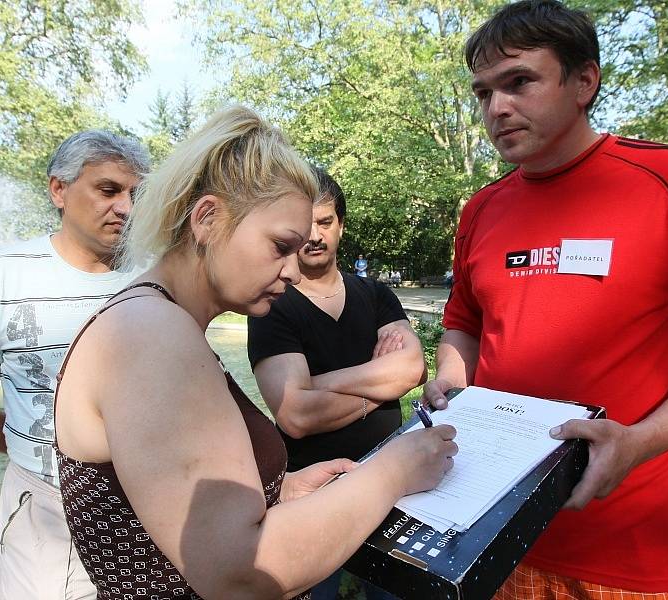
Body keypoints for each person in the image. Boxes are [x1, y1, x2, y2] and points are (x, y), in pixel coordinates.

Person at [422, 2, 668, 598]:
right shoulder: (482, 209)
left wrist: (639, 441)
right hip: (487, 535)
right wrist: (454, 383)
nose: (497, 108)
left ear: (584, 80)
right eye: (484, 93)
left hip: (629, 545)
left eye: (520, 82)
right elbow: (464, 321)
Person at [53, 106, 457, 600]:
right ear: (207, 219)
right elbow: (239, 573)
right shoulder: (151, 334)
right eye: (279, 246)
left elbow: (167, 501)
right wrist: (392, 471)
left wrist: (277, 489)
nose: (291, 271)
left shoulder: (154, 321)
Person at [0, 130, 149, 599]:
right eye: (109, 190)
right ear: (59, 189)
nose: (126, 208)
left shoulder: (154, 276)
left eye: (135, 194)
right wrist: (49, 456)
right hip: (44, 513)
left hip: (145, 504)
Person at [249, 168, 426, 599]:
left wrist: (319, 383)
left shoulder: (376, 295)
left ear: (341, 226)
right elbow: (296, 414)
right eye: (305, 224)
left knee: (393, 591)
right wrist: (381, 385)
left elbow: (413, 369)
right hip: (315, 490)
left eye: (325, 222)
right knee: (317, 591)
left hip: (394, 481)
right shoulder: (274, 303)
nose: (314, 235)